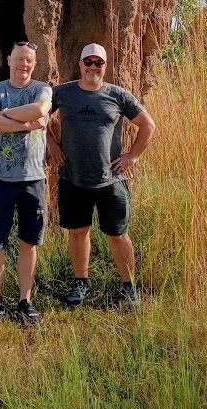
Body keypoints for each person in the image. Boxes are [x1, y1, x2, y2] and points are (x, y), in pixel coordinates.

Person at [48, 43, 155, 308]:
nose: (93, 67)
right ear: (80, 63)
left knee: (118, 234)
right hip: (73, 178)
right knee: (77, 233)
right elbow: (39, 118)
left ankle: (129, 288)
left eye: (99, 63)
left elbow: (147, 125)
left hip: (111, 179)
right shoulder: (62, 93)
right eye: (89, 61)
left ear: (105, 66)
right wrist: (51, 144)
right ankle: (80, 283)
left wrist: (132, 156)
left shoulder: (118, 95)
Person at [0, 41, 52, 327]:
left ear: (35, 62)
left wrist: (4, 116)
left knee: (28, 242)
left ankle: (25, 301)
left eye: (29, 60)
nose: (24, 64)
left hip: (34, 180)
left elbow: (41, 108)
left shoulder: (43, 89)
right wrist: (25, 123)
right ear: (9, 58)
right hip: (2, 180)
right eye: (19, 58)